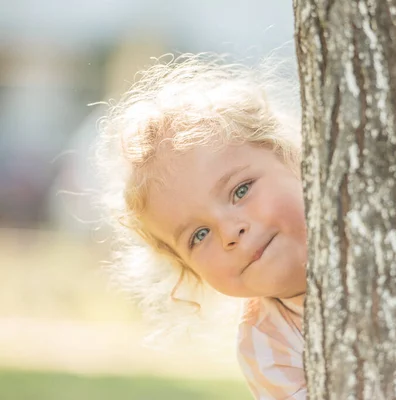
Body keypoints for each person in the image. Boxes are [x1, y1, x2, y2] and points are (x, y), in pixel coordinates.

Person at [94, 54, 307, 399]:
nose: (229, 232)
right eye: (199, 235)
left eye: (240, 190)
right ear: (186, 268)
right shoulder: (268, 344)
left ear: (291, 158)